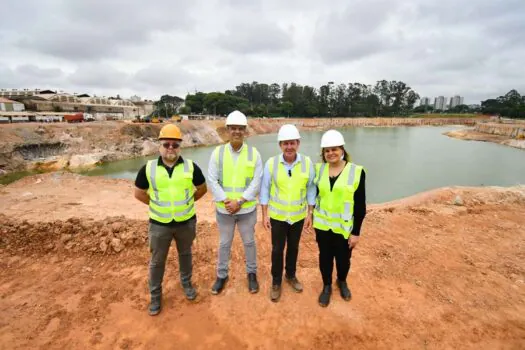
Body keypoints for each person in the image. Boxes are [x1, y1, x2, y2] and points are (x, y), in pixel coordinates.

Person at [134, 124, 207, 316]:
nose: (170, 149)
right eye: (167, 144)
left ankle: (186, 284)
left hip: (186, 222)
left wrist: (188, 203)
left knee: (186, 255)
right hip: (159, 225)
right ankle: (155, 296)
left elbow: (201, 189)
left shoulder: (191, 167)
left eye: (175, 145)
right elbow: (139, 193)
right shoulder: (148, 169)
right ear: (160, 145)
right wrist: (156, 205)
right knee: (157, 261)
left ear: (180, 146)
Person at [207, 110, 263, 295]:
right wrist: (226, 201)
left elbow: (257, 181)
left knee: (249, 242)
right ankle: (222, 275)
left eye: (241, 129)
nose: (237, 132)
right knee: (224, 244)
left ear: (245, 131)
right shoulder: (218, 153)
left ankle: (252, 274)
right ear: (227, 130)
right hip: (225, 211)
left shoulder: (254, 154)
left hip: (246, 210)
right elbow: (212, 180)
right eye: (233, 128)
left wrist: (239, 201)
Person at [260, 124, 316, 302]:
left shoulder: (307, 163)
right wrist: (264, 214)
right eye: (285, 143)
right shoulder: (272, 163)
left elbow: (311, 190)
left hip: (298, 217)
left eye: (292, 143)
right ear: (280, 145)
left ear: (298, 143)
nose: (289, 147)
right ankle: (276, 281)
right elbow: (264, 189)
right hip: (278, 217)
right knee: (277, 250)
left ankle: (290, 275)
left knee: (293, 248)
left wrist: (310, 214)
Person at [311, 129, 366, 307]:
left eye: (334, 149)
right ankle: (326, 286)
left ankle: (341, 281)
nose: (331, 153)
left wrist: (356, 232)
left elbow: (360, 205)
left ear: (342, 150)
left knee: (343, 260)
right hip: (322, 226)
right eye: (327, 150)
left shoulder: (356, 172)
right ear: (323, 153)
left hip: (344, 228)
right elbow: (312, 195)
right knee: (325, 258)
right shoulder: (318, 170)